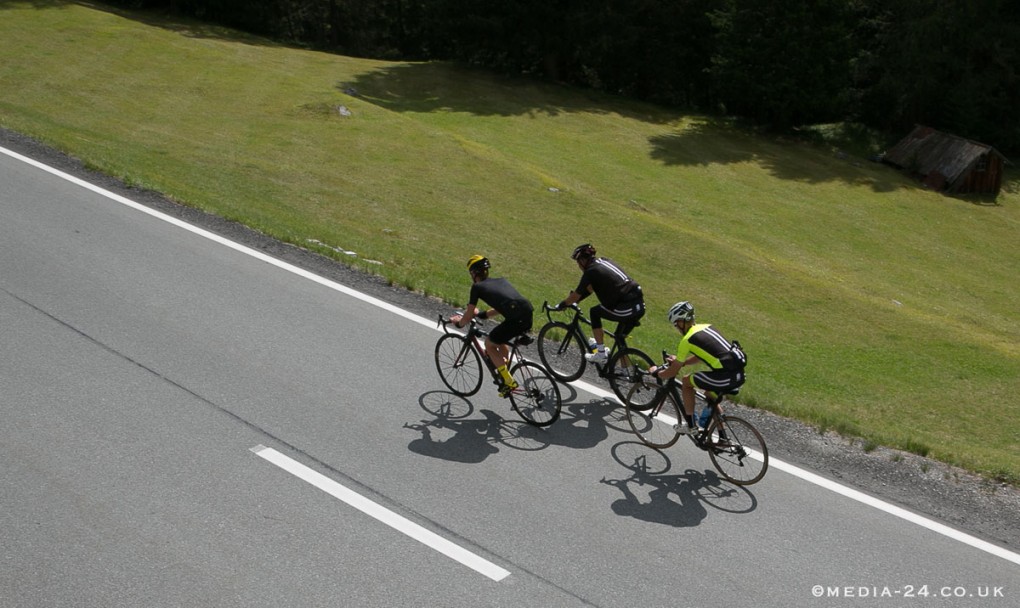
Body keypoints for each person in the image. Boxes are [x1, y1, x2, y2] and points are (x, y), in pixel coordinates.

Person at [647, 301, 746, 433]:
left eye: (676, 324)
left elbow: (672, 372)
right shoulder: (708, 327)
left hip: (726, 376)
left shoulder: (687, 340)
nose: (676, 328)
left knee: (687, 382)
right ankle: (723, 437)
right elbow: (701, 355)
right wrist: (683, 362)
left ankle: (690, 426)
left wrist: (656, 373)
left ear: (683, 321)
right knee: (710, 394)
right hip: (738, 374)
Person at [450, 255, 534, 397]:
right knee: (499, 338)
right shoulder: (500, 280)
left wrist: (458, 323)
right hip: (527, 313)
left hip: (515, 319)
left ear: (473, 273)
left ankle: (508, 381)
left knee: (489, 343)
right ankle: (504, 371)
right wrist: (483, 315)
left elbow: (469, 314)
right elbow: (504, 305)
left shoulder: (477, 287)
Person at [555, 243, 644, 363]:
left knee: (595, 312)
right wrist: (577, 300)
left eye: (578, 262)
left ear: (582, 260)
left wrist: (562, 304)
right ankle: (626, 372)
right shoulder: (603, 261)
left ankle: (601, 353)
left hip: (626, 306)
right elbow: (589, 289)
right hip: (637, 303)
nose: (578, 266)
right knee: (619, 337)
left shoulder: (591, 271)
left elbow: (576, 295)